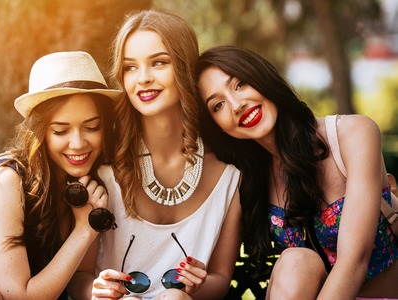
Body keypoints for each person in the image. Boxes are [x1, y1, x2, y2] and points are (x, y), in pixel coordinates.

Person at [195, 45, 398, 299]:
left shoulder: (353, 134)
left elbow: (353, 262)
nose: (236, 105)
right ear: (218, 128)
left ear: (263, 78)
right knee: (295, 263)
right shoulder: (247, 180)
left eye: (240, 84)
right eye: (218, 105)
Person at [85, 10, 242, 300]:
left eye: (158, 63)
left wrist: (198, 284)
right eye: (130, 67)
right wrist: (95, 291)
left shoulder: (227, 177)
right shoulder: (104, 163)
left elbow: (220, 279)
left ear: (184, 68)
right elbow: (81, 277)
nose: (142, 79)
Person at [0, 51, 121, 299]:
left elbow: (78, 278)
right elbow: (19, 295)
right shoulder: (8, 181)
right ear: (41, 133)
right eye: (61, 131)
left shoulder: (88, 185)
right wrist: (84, 230)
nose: (78, 143)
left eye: (92, 127)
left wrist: (99, 291)